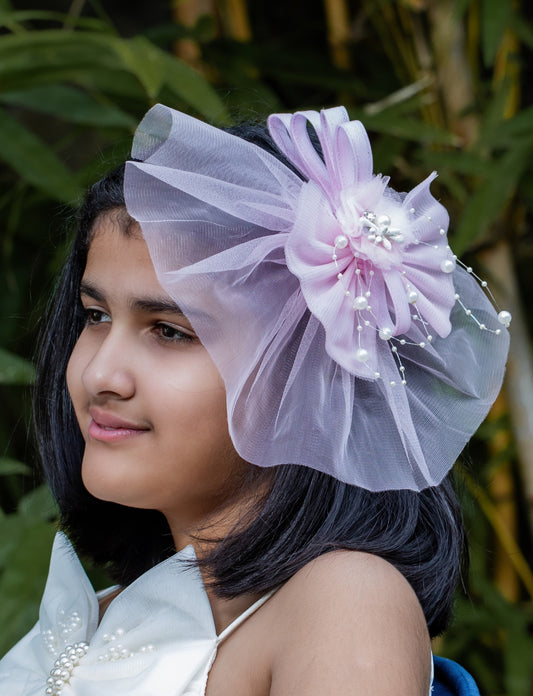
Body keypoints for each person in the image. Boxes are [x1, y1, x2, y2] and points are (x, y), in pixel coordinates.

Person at [0, 105, 509, 695]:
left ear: (299, 373)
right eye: (94, 316)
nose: (99, 374)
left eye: (170, 331)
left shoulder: (342, 602)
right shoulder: (106, 613)